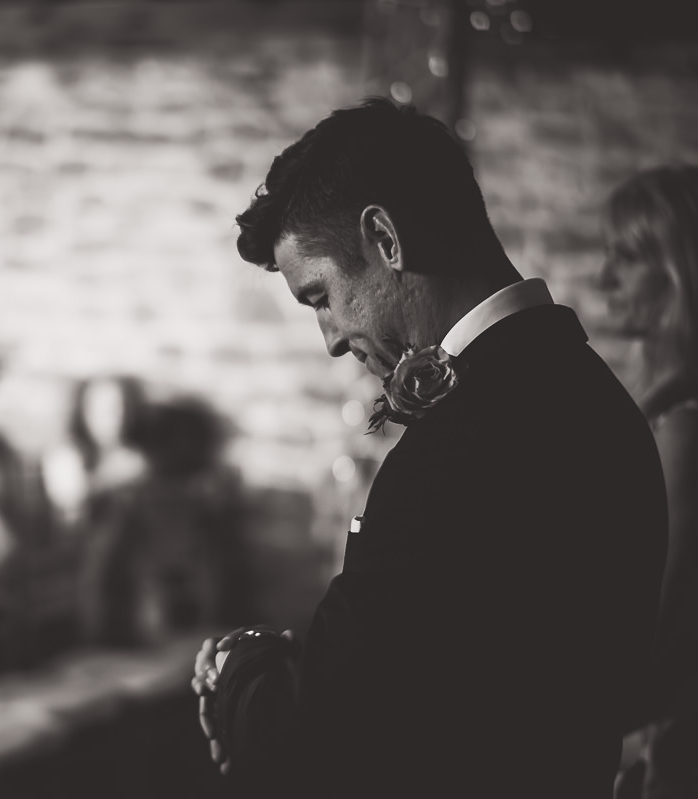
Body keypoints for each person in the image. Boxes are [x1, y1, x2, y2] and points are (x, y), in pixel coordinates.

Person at [192, 98, 666, 798]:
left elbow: (320, 734)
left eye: (320, 294)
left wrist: (237, 674)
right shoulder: (597, 398)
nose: (328, 338)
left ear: (385, 238)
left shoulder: (463, 445)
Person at [599, 165, 698, 799]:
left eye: (627, 258)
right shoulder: (653, 407)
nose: (604, 279)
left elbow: (656, 627)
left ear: (680, 273)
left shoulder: (683, 426)